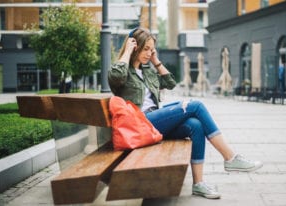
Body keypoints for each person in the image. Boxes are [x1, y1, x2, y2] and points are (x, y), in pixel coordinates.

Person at [108, 27, 263, 199]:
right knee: (195, 105)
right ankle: (230, 157)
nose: (148, 53)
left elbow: (171, 82)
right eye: (145, 49)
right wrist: (128, 51)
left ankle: (198, 183)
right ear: (134, 46)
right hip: (140, 123)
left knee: (195, 126)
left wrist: (156, 60)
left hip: (154, 122)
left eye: (151, 50)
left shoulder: (147, 72)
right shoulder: (123, 71)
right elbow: (115, 77)